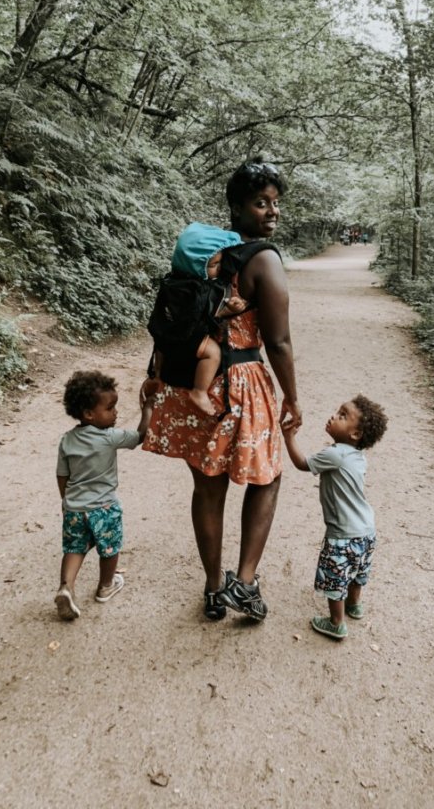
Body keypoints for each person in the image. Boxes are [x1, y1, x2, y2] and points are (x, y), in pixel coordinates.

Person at [142, 158, 302, 622]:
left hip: (194, 382)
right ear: (236, 206)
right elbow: (278, 340)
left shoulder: (200, 253)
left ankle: (214, 588)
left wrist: (154, 373)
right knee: (267, 477)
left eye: (275, 203)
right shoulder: (262, 259)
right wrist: (291, 396)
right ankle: (245, 583)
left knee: (207, 488)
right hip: (241, 385)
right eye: (261, 203)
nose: (272, 212)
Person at [281, 394, 388, 640]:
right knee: (359, 570)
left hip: (342, 534)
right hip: (366, 529)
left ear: (355, 434)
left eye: (342, 415)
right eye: (337, 411)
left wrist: (288, 437)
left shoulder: (336, 454)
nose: (334, 416)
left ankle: (336, 622)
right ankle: (354, 605)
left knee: (335, 577)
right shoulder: (358, 456)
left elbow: (302, 463)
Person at [54, 370, 153, 621]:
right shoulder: (110, 437)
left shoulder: (67, 440)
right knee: (109, 548)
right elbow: (141, 436)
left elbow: (62, 475)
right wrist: (147, 410)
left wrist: (66, 501)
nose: (116, 413)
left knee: (74, 549)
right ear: (89, 414)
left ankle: (66, 586)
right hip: (104, 507)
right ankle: (106, 585)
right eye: (110, 408)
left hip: (74, 508)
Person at [162, 222, 248, 417]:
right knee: (213, 353)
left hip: (168, 337)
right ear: (196, 264)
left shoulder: (174, 281)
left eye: (219, 264)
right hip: (185, 338)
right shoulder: (195, 289)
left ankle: (158, 376)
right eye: (212, 265)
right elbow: (204, 317)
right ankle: (199, 391)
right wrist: (228, 311)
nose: (217, 270)